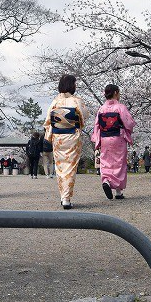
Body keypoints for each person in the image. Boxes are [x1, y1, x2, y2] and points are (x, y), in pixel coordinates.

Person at [44, 74, 89, 209]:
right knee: (70, 167)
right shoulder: (76, 101)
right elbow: (84, 116)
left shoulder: (55, 101)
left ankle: (63, 197)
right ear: (72, 85)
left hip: (58, 138)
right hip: (72, 137)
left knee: (60, 167)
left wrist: (50, 135)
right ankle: (66, 198)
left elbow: (48, 122)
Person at [91, 84, 136, 200]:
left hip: (105, 138)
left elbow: (97, 125)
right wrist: (128, 130)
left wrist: (97, 139)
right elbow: (129, 123)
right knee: (119, 162)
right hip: (118, 138)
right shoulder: (120, 107)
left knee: (106, 160)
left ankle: (106, 180)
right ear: (116, 92)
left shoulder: (101, 109)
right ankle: (118, 191)